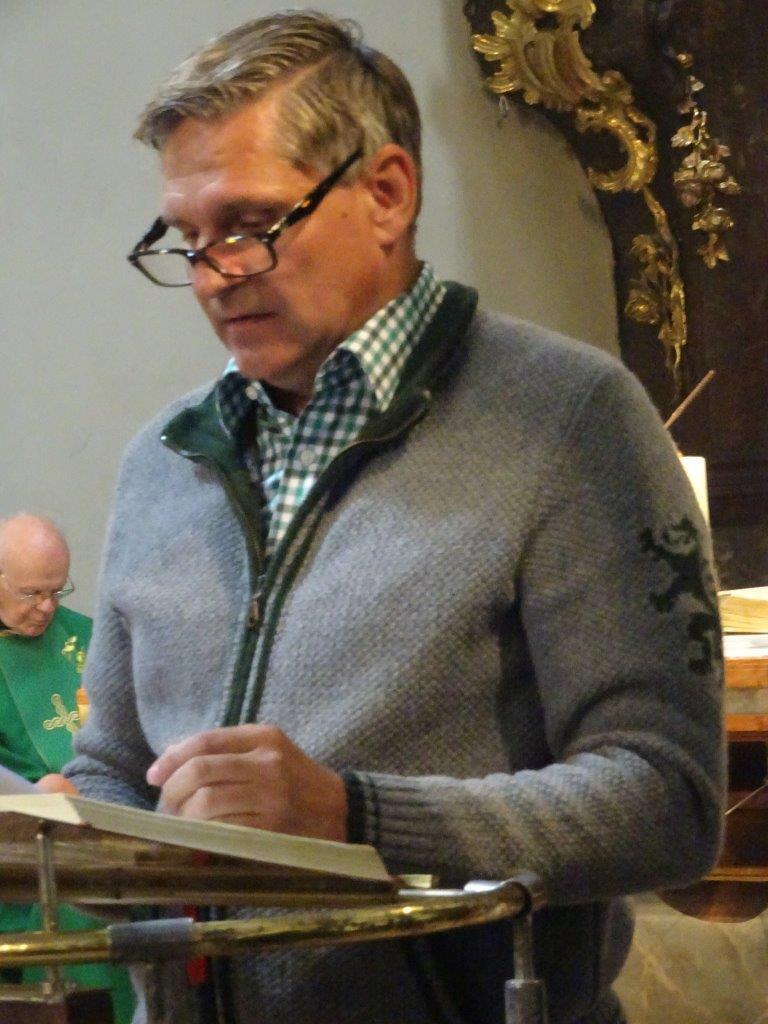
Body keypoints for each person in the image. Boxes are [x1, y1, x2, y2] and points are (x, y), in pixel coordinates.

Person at [59, 11, 724, 1024]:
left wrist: (355, 814)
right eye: (185, 239)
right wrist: (64, 840)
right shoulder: (161, 460)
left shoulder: (568, 419)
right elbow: (114, 766)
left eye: (248, 224)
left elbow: (667, 801)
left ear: (387, 192)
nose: (212, 276)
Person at [0, 514, 135, 1022]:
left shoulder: (89, 638)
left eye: (57, 591)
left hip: (102, 830)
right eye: (32, 593)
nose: (47, 608)